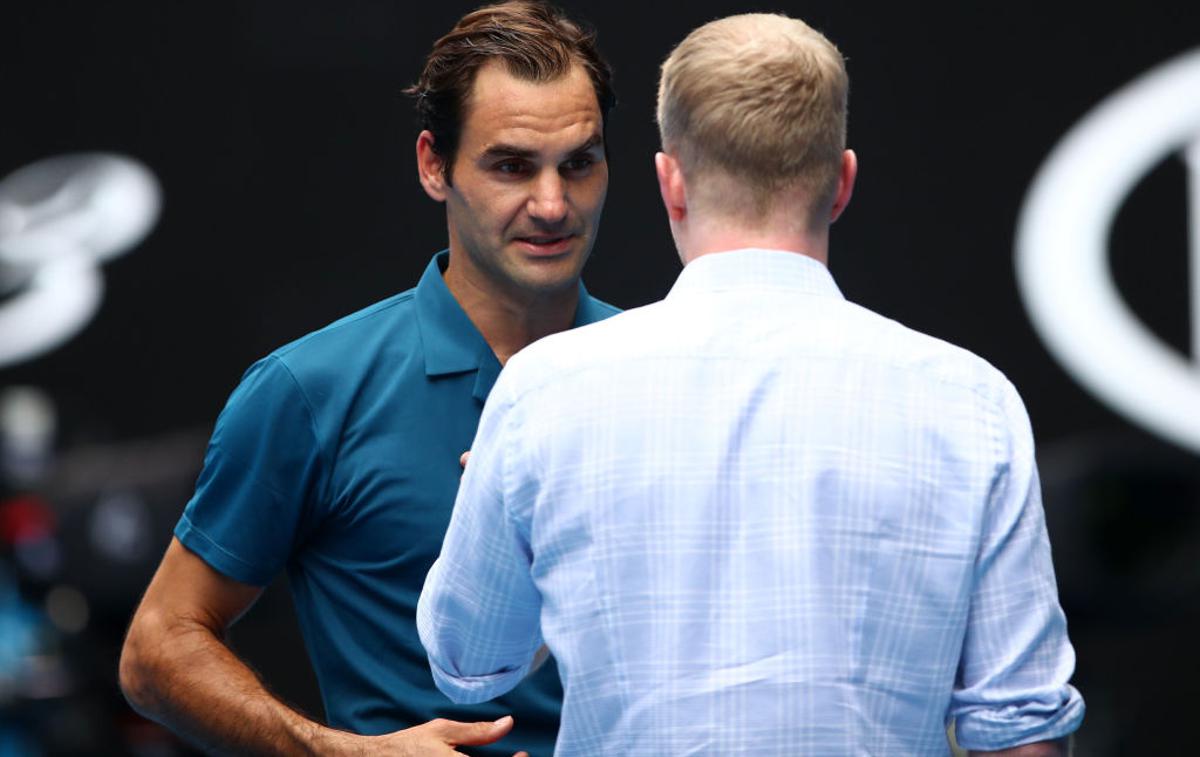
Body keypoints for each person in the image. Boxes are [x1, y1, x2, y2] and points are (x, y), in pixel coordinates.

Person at [417, 12, 1085, 756]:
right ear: (841, 184)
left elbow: (467, 665)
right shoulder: (972, 403)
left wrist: (525, 525)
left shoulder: (544, 394)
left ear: (670, 183)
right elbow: (1022, 731)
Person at [118, 2, 618, 754]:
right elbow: (157, 649)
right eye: (512, 165)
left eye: (578, 163)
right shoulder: (310, 389)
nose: (552, 204)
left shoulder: (665, 372)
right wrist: (350, 753)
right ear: (432, 165)